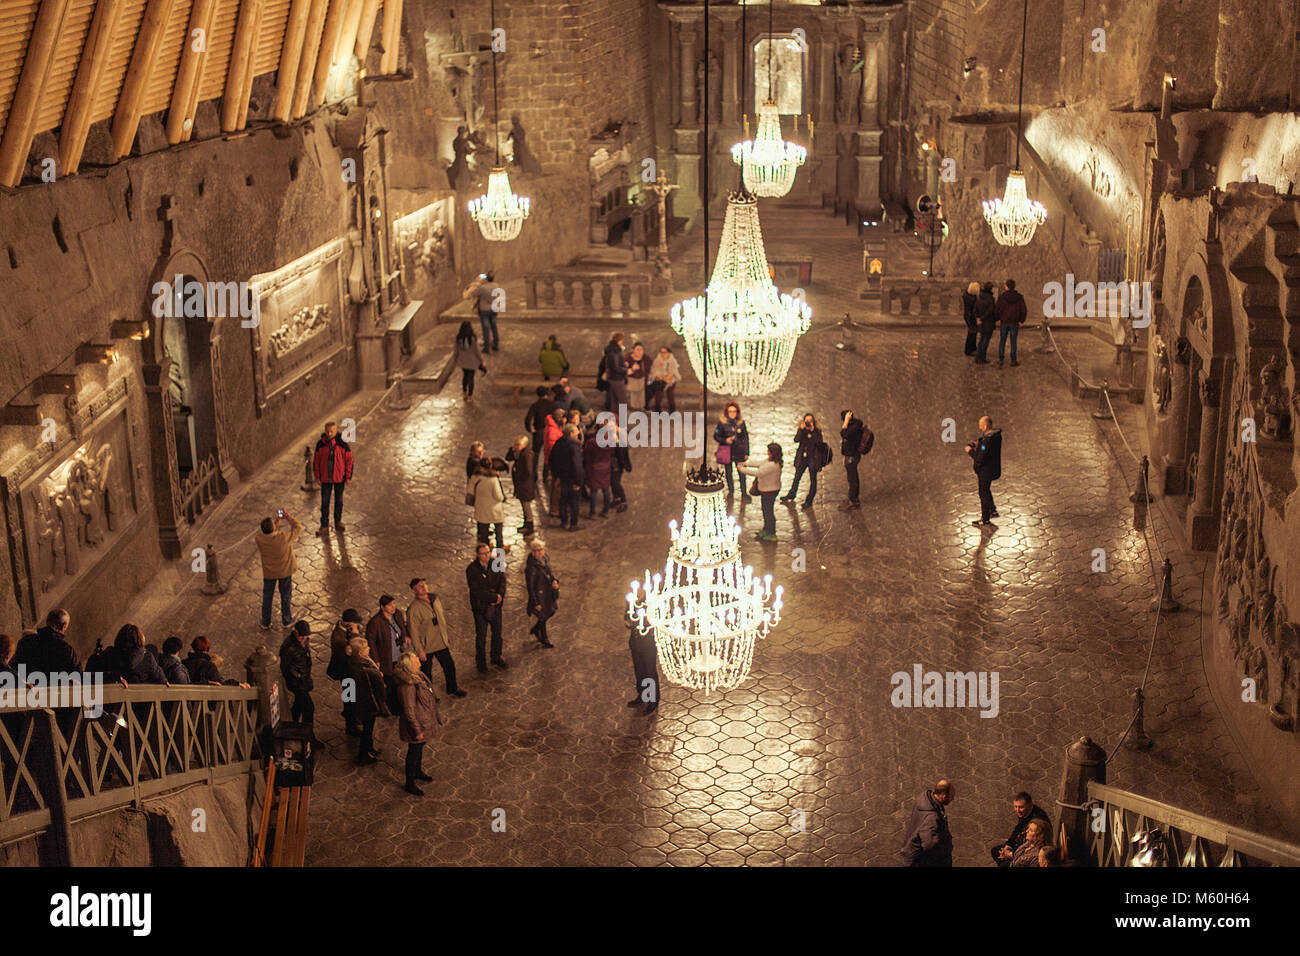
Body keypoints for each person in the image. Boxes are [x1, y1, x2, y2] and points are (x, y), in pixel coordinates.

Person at [394, 651, 443, 796]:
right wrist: (417, 731)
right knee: (414, 750)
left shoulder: (418, 676)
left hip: (424, 720)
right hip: (417, 724)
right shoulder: (408, 686)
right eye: (415, 658)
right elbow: (409, 711)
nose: (418, 659)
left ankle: (418, 771)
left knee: (420, 747)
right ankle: (410, 782)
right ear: (410, 664)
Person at [408, 578, 465, 697]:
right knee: (426, 673)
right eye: (419, 586)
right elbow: (413, 631)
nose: (423, 587)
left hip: (440, 641)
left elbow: (441, 618)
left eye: (424, 584)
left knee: (449, 666)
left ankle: (452, 688)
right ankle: (429, 695)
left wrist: (445, 634)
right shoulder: (414, 609)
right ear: (414, 591)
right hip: (426, 645)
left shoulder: (435, 599)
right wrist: (419, 650)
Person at [346, 636, 388, 765]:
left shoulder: (352, 662)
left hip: (360, 702)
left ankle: (370, 749)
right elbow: (378, 688)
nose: (369, 649)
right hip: (367, 704)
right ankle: (364, 755)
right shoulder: (364, 669)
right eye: (366, 648)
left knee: (369, 729)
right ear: (360, 652)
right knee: (367, 730)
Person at [256, 510, 301, 629]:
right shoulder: (284, 537)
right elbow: (298, 527)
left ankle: (265, 621)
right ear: (274, 527)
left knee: (267, 596)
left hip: (269, 573)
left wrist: (276, 523)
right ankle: (286, 620)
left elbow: (270, 534)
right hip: (284, 571)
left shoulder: (259, 539)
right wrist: (287, 517)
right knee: (285, 595)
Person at [466, 542, 507, 672]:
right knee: (481, 636)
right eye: (484, 553)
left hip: (496, 606)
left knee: (497, 633)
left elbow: (502, 580)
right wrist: (494, 598)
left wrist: (500, 595)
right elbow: (476, 591)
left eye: (488, 552)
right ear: (478, 555)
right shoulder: (472, 569)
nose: (487, 555)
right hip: (481, 607)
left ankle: (496, 656)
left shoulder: (496, 563)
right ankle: (481, 662)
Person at [900, 779, 955, 867]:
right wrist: (944, 851)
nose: (953, 798)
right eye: (951, 796)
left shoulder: (926, 800)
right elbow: (929, 845)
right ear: (944, 796)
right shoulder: (932, 818)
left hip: (912, 852)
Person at [312, 421, 354, 535]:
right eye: (327, 431)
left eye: (332, 431)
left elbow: (349, 460)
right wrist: (317, 476)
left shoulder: (342, 443)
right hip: (326, 478)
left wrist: (348, 476)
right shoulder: (320, 444)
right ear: (325, 431)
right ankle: (324, 525)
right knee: (325, 502)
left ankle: (338, 521)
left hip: (339, 478)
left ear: (336, 431)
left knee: (339, 501)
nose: (329, 434)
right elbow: (316, 461)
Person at [328, 609, 364, 734]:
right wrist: (355, 633)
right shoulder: (338, 637)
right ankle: (351, 726)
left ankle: (354, 716)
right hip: (346, 672)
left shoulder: (346, 629)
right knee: (349, 698)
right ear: (347, 623)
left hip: (353, 671)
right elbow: (354, 648)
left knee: (353, 698)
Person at [12, 608, 80, 674]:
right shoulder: (67, 650)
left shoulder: (25, 642)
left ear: (47, 621)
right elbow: (77, 676)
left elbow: (16, 669)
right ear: (64, 626)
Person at [991, 791, 1051, 866]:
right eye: (1015, 807)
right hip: (1023, 846)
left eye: (1021, 807)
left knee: (1003, 864)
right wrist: (1008, 845)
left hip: (1029, 849)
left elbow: (1031, 850)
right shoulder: (1024, 813)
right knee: (996, 851)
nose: (1018, 810)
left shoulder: (1038, 821)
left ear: (1030, 805)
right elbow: (1018, 829)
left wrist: (1011, 854)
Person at [738, 443, 784, 540]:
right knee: (766, 510)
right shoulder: (771, 461)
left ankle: (771, 533)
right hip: (768, 490)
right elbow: (759, 463)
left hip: (770, 491)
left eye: (769, 451)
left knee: (768, 512)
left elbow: (758, 473)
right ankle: (766, 529)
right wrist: (747, 463)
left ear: (772, 453)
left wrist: (742, 469)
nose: (767, 452)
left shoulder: (773, 465)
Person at [966, 415, 1003, 526]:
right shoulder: (996, 436)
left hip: (985, 472)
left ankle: (985, 519)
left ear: (986, 426)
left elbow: (979, 458)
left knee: (983, 493)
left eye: (981, 426)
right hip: (994, 469)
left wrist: (970, 451)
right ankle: (992, 509)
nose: (980, 428)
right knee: (986, 490)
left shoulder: (987, 441)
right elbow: (986, 448)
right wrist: (980, 444)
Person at [625, 594, 659, 715]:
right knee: (639, 671)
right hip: (635, 644)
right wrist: (628, 621)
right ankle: (643, 696)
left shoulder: (651, 603)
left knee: (650, 672)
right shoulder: (631, 602)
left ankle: (653, 701)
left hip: (648, 646)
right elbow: (627, 621)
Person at [783, 413, 823, 510]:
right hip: (803, 458)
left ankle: (809, 501)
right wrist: (802, 429)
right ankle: (791, 494)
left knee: (813, 480)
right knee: (797, 477)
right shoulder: (802, 430)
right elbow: (796, 439)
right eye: (807, 421)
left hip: (813, 458)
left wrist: (813, 431)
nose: (808, 423)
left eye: (810, 421)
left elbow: (819, 442)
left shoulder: (817, 431)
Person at [278, 621, 315, 728]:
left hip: (304, 679)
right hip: (297, 683)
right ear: (295, 632)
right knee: (309, 708)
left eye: (306, 636)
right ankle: (308, 736)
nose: (304, 638)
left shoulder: (304, 640)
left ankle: (291, 725)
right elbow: (284, 668)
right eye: (302, 636)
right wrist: (297, 676)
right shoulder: (289, 647)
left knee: (298, 705)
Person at [365, 594, 411, 680]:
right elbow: (371, 642)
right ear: (382, 607)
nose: (393, 607)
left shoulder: (397, 614)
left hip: (401, 656)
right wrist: (376, 660)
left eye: (394, 604)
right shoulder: (375, 622)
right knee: (391, 682)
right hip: (387, 659)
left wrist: (405, 636)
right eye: (390, 605)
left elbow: (402, 627)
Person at [466, 458, 508, 551]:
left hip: (481, 509)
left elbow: (470, 491)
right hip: (494, 510)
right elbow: (498, 496)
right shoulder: (493, 479)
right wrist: (503, 498)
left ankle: (485, 549)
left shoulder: (475, 477)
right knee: (498, 530)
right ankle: (500, 548)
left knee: (484, 532)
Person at [551, 423, 586, 531]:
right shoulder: (574, 447)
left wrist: (556, 475)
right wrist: (578, 482)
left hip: (562, 477)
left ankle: (564, 521)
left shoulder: (558, 443)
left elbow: (552, 460)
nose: (578, 433)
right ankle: (573, 524)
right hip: (572, 478)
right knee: (574, 502)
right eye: (576, 432)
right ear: (571, 434)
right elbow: (577, 465)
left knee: (563, 500)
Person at [525, 539, 559, 648]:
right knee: (543, 617)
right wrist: (536, 602)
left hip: (547, 593)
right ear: (532, 552)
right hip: (540, 596)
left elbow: (549, 574)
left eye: (541, 549)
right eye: (536, 550)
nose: (539, 552)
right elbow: (530, 587)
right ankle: (544, 638)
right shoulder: (531, 568)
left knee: (550, 612)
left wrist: (555, 581)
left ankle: (536, 629)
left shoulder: (545, 560)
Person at [713, 401, 751, 500]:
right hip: (727, 452)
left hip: (739, 452)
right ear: (727, 412)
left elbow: (745, 437)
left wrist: (747, 452)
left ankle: (744, 493)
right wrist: (725, 440)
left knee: (742, 472)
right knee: (728, 473)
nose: (732, 413)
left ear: (737, 412)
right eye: (730, 411)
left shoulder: (741, 423)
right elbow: (716, 436)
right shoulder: (722, 423)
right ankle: (731, 492)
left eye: (734, 411)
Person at [505, 435, 538, 538]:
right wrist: (512, 449)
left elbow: (528, 471)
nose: (516, 446)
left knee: (527, 507)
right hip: (522, 485)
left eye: (518, 444)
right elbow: (508, 458)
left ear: (524, 445)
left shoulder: (527, 455)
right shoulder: (519, 453)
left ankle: (530, 529)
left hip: (525, 485)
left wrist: (520, 477)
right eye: (515, 444)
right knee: (524, 506)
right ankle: (526, 525)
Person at [839, 410, 869, 510]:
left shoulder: (853, 427)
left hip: (852, 455)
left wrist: (846, 422)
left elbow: (843, 433)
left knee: (852, 478)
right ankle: (854, 498)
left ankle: (853, 499)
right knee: (852, 477)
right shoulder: (857, 424)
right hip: (851, 454)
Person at [451, 321, 487, 403]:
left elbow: (455, 352)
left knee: (465, 377)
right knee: (471, 379)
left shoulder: (458, 338)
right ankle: (470, 396)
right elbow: (476, 351)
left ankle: (464, 392)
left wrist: (455, 361)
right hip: (472, 362)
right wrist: (482, 361)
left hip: (463, 362)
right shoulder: (473, 339)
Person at [995, 278, 1028, 367]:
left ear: (1007, 287)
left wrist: (997, 319)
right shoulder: (1019, 297)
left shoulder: (1002, 297)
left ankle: (1001, 359)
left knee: (1002, 340)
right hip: (1014, 322)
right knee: (1013, 342)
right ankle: (1013, 360)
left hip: (1004, 322)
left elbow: (997, 309)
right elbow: (1023, 310)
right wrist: (1021, 320)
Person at [524, 386, 558, 468]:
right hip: (550, 431)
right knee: (548, 455)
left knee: (535, 454)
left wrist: (530, 429)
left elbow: (528, 419)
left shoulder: (535, 405)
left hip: (538, 431)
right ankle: (546, 475)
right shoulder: (553, 404)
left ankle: (534, 473)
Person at [583, 426, 613, 518]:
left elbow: (586, 454)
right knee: (606, 489)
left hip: (594, 468)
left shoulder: (591, 442)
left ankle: (592, 512)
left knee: (593, 490)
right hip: (606, 467)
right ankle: (606, 510)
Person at [474, 270, 502, 352]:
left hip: (484, 310)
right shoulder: (497, 286)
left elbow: (474, 294)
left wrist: (481, 278)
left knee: (485, 328)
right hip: (494, 309)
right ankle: (496, 345)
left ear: (486, 278)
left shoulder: (482, 288)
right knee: (494, 327)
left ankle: (486, 347)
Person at [601, 333, 629, 411]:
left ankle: (615, 419)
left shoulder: (611, 349)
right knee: (623, 400)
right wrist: (626, 370)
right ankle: (622, 420)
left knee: (614, 401)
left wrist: (623, 364)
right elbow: (615, 367)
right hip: (617, 378)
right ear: (619, 341)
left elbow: (614, 364)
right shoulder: (615, 351)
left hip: (612, 378)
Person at [648, 346, 680, 413]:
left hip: (671, 380)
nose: (663, 354)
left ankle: (672, 409)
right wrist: (661, 378)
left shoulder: (672, 361)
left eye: (664, 352)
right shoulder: (657, 360)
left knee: (670, 392)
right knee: (658, 391)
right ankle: (657, 408)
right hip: (660, 379)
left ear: (668, 353)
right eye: (661, 352)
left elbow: (673, 371)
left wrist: (667, 378)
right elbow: (654, 370)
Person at [609, 422, 632, 513]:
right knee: (613, 482)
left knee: (616, 483)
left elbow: (623, 457)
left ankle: (623, 501)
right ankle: (617, 499)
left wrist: (626, 465)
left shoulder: (620, 445)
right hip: (613, 465)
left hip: (617, 466)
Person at [973, 281, 997, 364]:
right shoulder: (990, 299)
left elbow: (975, 309)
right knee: (985, 341)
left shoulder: (979, 297)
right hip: (988, 322)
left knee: (981, 340)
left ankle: (977, 357)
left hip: (981, 322)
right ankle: (982, 358)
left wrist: (978, 319)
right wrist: (982, 319)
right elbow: (990, 311)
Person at [625, 341, 651, 410]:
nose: (640, 352)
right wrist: (632, 369)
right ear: (633, 350)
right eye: (638, 350)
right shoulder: (628, 359)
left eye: (641, 350)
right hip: (631, 382)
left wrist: (651, 374)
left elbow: (652, 367)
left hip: (643, 381)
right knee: (633, 398)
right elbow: (624, 371)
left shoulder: (646, 358)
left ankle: (642, 408)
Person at [962, 280, 980, 356]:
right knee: (972, 334)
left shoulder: (966, 296)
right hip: (971, 317)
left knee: (972, 333)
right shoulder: (972, 299)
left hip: (967, 316)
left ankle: (972, 348)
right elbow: (974, 310)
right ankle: (969, 350)